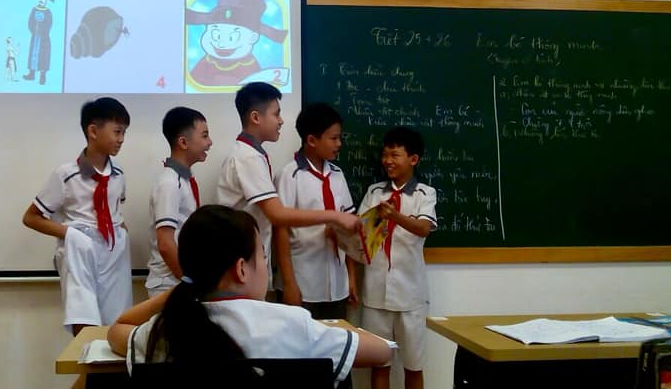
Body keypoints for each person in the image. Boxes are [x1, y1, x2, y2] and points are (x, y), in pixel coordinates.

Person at [107, 205, 393, 385]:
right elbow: (382, 351)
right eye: (263, 257)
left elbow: (117, 329)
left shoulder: (166, 330)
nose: (266, 265)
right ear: (242, 269)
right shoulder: (294, 325)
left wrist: (184, 287)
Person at [216, 82, 361, 288]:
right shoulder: (248, 158)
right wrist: (336, 216)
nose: (281, 120)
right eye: (276, 114)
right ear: (256, 117)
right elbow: (278, 215)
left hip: (249, 263)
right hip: (241, 265)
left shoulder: (253, 155)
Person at [22, 97, 133, 335]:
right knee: (84, 318)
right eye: (117, 131)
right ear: (93, 131)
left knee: (117, 320)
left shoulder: (119, 173)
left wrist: (122, 233)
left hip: (113, 250)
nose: (121, 139)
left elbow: (116, 209)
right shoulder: (66, 174)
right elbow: (31, 217)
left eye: (124, 132)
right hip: (79, 248)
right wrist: (71, 234)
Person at [357, 127, 437, 389]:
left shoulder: (425, 193)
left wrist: (395, 216)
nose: (387, 161)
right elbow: (359, 231)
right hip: (375, 292)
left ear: (413, 159)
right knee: (379, 364)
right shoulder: (374, 192)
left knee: (413, 365)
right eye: (385, 155)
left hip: (410, 296)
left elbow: (424, 228)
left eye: (394, 155)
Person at [274, 103, 358, 320]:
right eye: (333, 138)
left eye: (340, 137)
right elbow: (280, 231)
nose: (339, 144)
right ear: (311, 140)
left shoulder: (338, 175)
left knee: (336, 338)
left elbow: (349, 227)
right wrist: (289, 284)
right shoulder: (289, 175)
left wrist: (351, 278)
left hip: (337, 285)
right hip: (303, 283)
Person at [145, 107, 212, 298]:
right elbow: (166, 244)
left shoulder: (183, 180)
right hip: (169, 284)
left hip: (178, 280)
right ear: (183, 142)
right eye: (204, 136)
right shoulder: (170, 183)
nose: (210, 142)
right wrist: (188, 280)